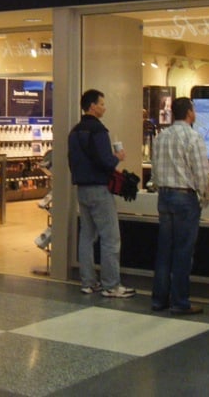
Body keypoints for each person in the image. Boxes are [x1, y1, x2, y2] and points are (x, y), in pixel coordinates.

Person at [68, 89, 136, 298]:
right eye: (102, 104)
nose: (104, 108)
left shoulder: (74, 132)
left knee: (86, 236)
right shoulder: (98, 131)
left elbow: (72, 161)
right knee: (110, 238)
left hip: (82, 189)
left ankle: (88, 282)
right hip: (99, 189)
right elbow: (105, 162)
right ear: (92, 106)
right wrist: (118, 157)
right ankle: (111, 285)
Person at [150, 97, 209, 314]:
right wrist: (204, 196)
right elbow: (201, 172)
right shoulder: (193, 137)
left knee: (164, 250)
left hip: (164, 196)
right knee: (183, 251)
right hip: (185, 198)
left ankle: (159, 299)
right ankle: (180, 301)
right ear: (190, 112)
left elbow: (155, 170)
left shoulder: (161, 137)